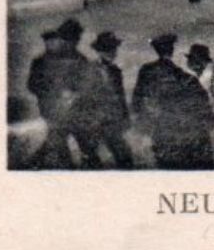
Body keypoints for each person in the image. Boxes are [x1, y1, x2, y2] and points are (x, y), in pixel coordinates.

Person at [132, 34, 214, 169]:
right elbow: (206, 114)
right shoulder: (186, 78)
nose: (203, 66)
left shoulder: (151, 71)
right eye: (201, 62)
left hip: (169, 135)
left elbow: (138, 101)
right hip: (189, 137)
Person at [24, 19, 91, 169]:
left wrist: (74, 93)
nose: (52, 45)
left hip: (74, 108)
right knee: (60, 141)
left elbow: (84, 83)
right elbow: (32, 85)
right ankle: (66, 169)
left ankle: (35, 162)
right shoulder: (39, 62)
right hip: (51, 109)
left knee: (60, 139)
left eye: (55, 41)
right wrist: (52, 93)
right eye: (48, 42)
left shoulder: (77, 58)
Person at [74, 31, 134, 169]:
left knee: (123, 156)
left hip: (111, 120)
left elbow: (120, 97)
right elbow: (84, 95)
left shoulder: (115, 71)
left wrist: (125, 117)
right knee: (93, 158)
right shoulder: (90, 69)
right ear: (100, 51)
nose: (113, 52)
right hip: (95, 120)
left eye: (113, 48)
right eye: (109, 49)